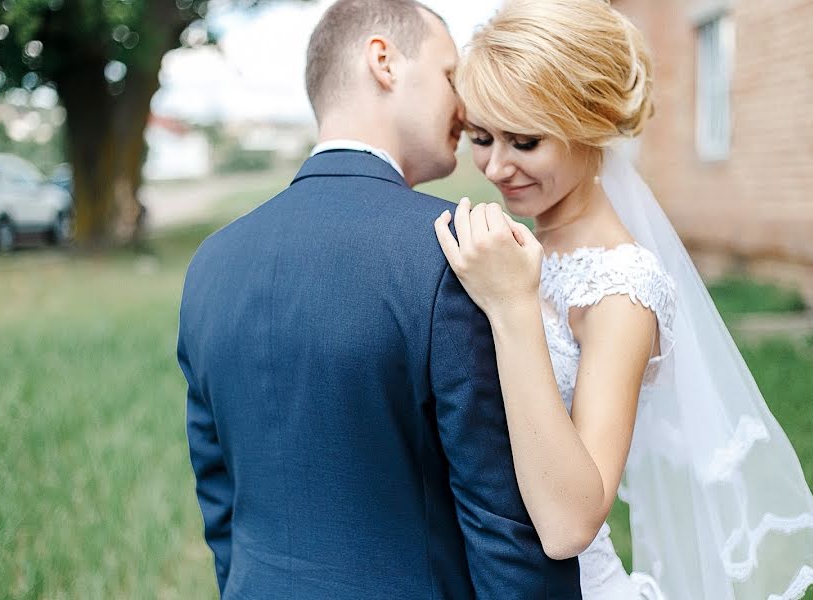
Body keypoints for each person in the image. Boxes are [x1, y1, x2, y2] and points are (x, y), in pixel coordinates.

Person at [178, 0, 582, 597]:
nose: (464, 105)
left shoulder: (210, 262)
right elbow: (505, 525)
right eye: (451, 76)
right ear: (383, 61)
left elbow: (221, 503)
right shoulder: (456, 250)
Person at [434, 0, 813, 598]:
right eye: (482, 137)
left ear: (587, 123)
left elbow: (571, 522)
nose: (495, 166)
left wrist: (511, 305)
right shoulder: (527, 245)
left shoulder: (622, 287)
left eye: (524, 141)